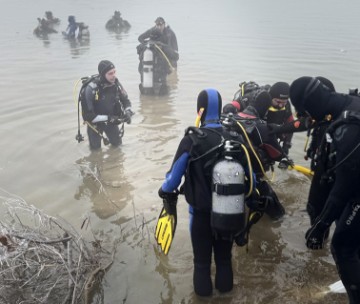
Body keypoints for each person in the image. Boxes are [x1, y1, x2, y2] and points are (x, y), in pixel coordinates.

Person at [158, 88, 254, 296]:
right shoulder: (236, 137)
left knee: (201, 263)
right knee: (224, 259)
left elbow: (172, 180)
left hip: (200, 214)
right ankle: (226, 297)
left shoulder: (192, 139)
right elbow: (252, 179)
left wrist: (163, 190)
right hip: (229, 213)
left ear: (199, 110)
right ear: (219, 109)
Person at [290, 76, 360, 304]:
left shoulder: (348, 128)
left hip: (355, 189)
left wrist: (320, 225)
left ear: (311, 105)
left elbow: (344, 188)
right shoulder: (350, 102)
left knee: (342, 247)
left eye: (306, 112)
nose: (309, 118)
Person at [223, 90, 286, 220]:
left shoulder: (229, 119)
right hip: (250, 179)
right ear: (265, 108)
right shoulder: (261, 127)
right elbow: (277, 154)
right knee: (279, 216)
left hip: (225, 174)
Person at [80, 60, 133, 150]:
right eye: (110, 73)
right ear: (103, 74)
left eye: (114, 72)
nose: (113, 75)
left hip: (111, 122)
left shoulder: (115, 84)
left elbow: (126, 101)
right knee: (95, 153)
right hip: (94, 125)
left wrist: (128, 112)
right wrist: (109, 118)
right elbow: (87, 116)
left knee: (118, 148)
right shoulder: (91, 89)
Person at [267, 82, 295, 167]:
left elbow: (291, 125)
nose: (280, 105)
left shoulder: (286, 105)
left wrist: (286, 147)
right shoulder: (263, 101)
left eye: (284, 102)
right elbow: (237, 104)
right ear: (271, 97)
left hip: (273, 131)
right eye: (277, 101)